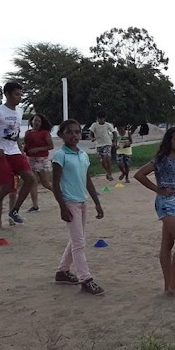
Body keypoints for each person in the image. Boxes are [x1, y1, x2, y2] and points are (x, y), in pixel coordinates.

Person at [135, 127, 175, 297]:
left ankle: (169, 285)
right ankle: (174, 284)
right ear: (169, 141)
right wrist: (158, 190)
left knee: (167, 244)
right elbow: (140, 175)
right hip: (166, 203)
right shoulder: (162, 159)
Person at [51, 120, 106, 296]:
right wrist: (62, 207)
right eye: (69, 132)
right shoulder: (60, 156)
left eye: (77, 132)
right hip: (69, 202)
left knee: (77, 239)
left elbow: (87, 179)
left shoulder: (83, 155)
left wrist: (96, 202)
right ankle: (86, 279)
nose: (74, 135)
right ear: (61, 134)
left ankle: (62, 271)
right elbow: (55, 183)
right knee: (79, 243)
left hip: (82, 201)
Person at [0, 82, 35, 233]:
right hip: (0, 152)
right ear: (8, 95)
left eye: (21, 94)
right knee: (6, 187)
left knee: (30, 179)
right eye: (17, 94)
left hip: (15, 151)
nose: (20, 97)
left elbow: (15, 133)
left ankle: (14, 211)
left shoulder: (19, 111)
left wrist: (20, 149)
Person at [23, 113, 55, 212]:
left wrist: (38, 149)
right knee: (33, 183)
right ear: (32, 121)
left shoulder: (44, 133)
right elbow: (26, 145)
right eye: (35, 120)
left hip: (42, 159)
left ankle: (61, 195)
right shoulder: (28, 133)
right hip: (31, 159)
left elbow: (51, 146)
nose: (36, 122)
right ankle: (35, 206)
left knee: (45, 183)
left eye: (39, 121)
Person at [88, 110, 117, 181]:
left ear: (105, 118)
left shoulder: (107, 125)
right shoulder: (94, 125)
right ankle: (107, 172)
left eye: (102, 118)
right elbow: (90, 133)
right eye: (99, 118)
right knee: (102, 161)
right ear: (97, 118)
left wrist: (114, 141)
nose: (100, 120)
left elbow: (114, 133)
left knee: (107, 157)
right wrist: (92, 138)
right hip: (99, 144)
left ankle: (110, 173)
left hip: (107, 143)